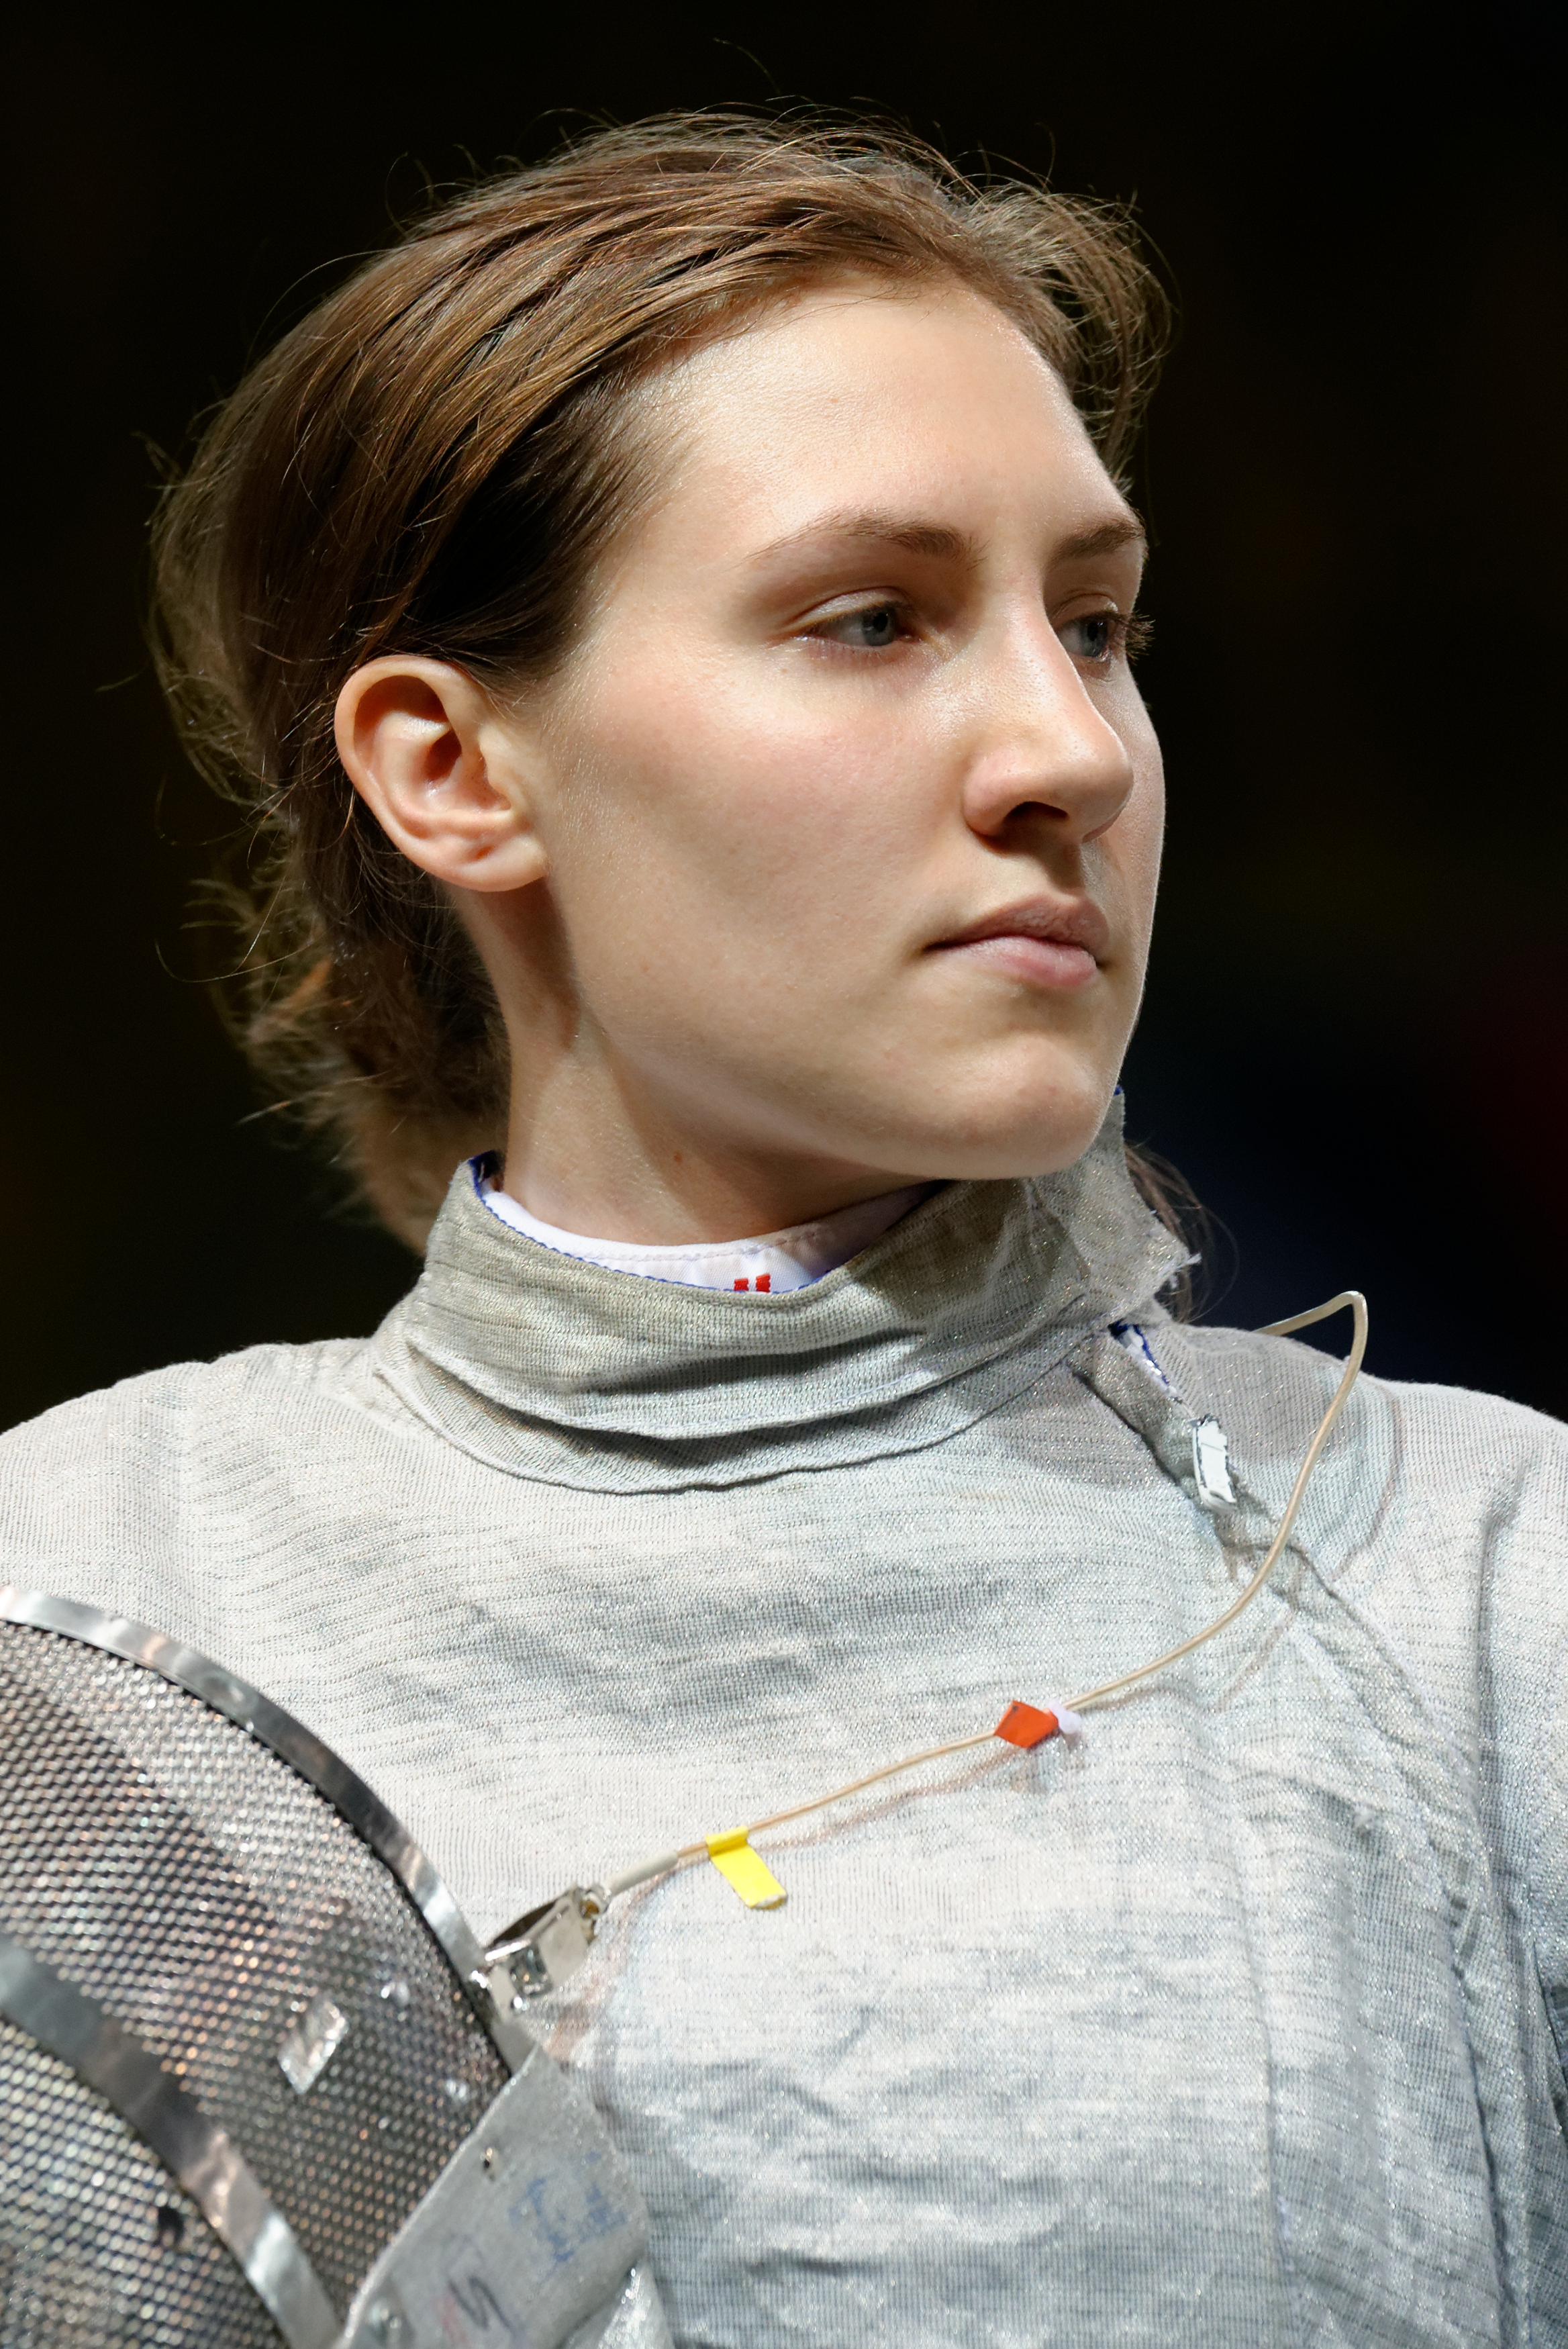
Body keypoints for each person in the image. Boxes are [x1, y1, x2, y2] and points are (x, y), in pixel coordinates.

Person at [3, 115, 1563, 2345]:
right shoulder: (76, 1617)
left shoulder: (1486, 1595)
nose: (1073, 750)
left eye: (1099, 623)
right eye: (872, 619)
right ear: (454, 768)